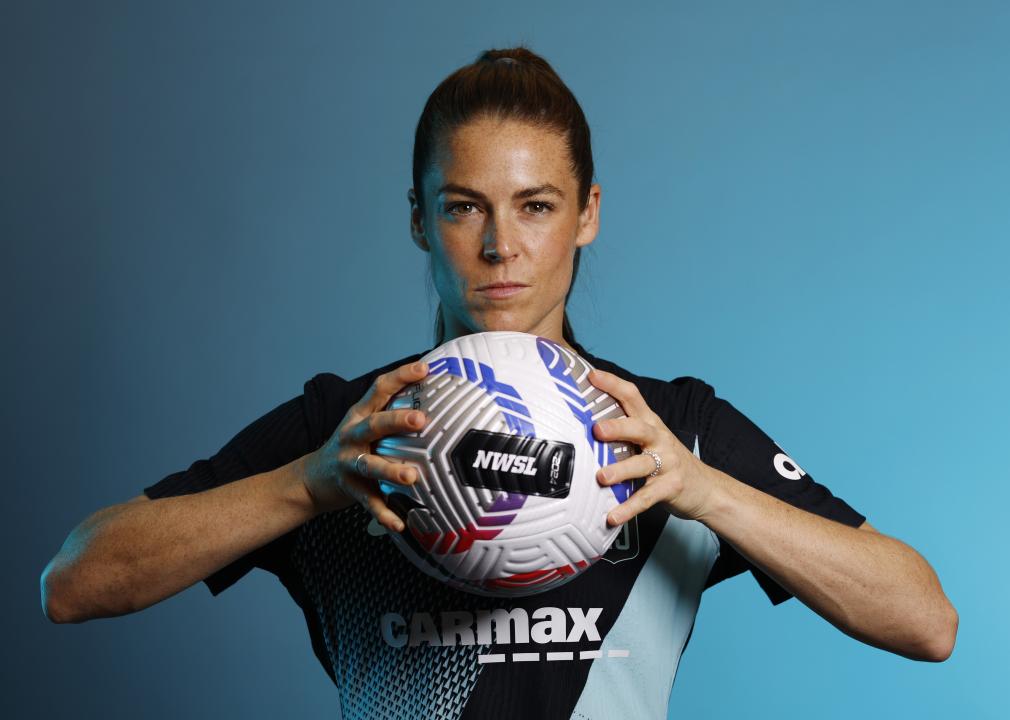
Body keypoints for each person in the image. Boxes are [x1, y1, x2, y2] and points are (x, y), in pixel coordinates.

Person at [41, 47, 958, 719]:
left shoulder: (667, 431)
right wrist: (304, 484)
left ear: (587, 214)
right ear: (418, 220)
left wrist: (707, 490)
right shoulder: (350, 431)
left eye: (536, 206)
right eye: (462, 206)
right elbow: (74, 582)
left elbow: (926, 621)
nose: (500, 248)